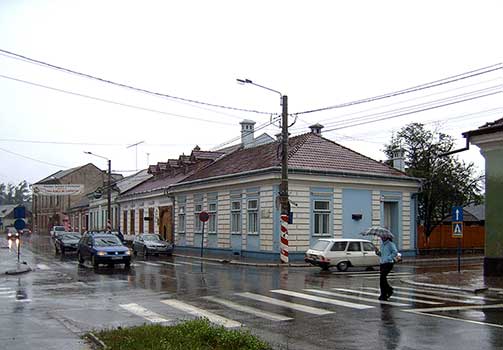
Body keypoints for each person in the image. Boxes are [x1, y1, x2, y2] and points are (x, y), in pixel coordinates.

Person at [378, 236, 398, 301]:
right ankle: (383, 294)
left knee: (382, 277)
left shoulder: (390, 244)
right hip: (382, 263)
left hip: (388, 263)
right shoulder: (382, 245)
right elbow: (381, 254)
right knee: (382, 280)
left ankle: (389, 290)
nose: (381, 238)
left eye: (383, 237)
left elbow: (395, 252)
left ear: (386, 237)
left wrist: (389, 258)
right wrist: (378, 253)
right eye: (381, 237)